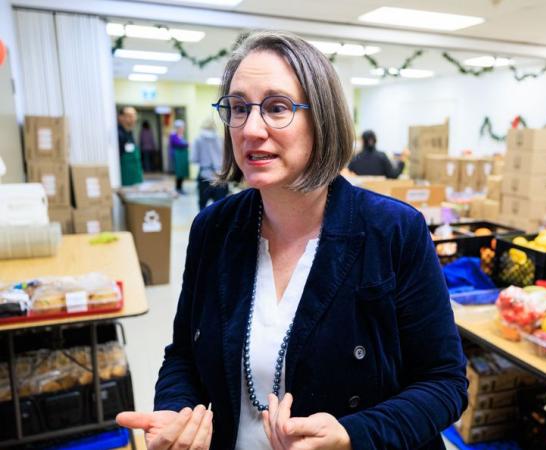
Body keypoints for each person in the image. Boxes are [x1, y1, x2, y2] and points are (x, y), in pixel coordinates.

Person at [116, 31, 467, 450]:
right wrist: (177, 413)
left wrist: (353, 434)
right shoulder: (213, 228)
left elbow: (444, 382)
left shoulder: (393, 231)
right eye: (239, 108)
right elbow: (183, 357)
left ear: (322, 120)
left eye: (277, 108)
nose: (251, 128)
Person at [191, 118, 229, 210]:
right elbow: (227, 158)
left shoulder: (198, 140)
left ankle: (204, 224)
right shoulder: (221, 139)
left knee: (202, 206)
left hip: (205, 176)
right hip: (220, 176)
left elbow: (194, 159)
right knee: (220, 207)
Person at [117, 106, 143, 185]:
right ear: (121, 117)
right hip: (124, 180)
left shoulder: (130, 133)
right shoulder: (118, 135)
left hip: (135, 177)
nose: (133, 118)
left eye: (134, 115)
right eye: (129, 116)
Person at [170, 119, 190, 194]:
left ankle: (180, 187)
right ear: (177, 128)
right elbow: (178, 144)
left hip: (182, 157)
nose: (182, 129)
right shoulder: (173, 135)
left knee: (182, 173)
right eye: (181, 128)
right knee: (179, 173)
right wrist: (187, 144)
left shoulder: (181, 135)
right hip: (177, 157)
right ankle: (178, 188)